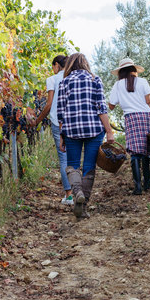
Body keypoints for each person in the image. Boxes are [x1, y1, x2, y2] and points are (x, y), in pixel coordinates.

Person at [57, 53, 114, 220]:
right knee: (89, 166)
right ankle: (83, 205)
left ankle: (78, 193)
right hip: (94, 130)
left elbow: (61, 111)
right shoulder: (94, 79)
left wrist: (62, 135)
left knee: (73, 166)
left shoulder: (64, 82)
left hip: (72, 130)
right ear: (85, 64)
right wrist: (109, 131)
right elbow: (101, 108)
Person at [108, 58, 150, 195]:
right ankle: (147, 184)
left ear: (121, 72)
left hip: (132, 118)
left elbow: (111, 105)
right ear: (134, 70)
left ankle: (138, 187)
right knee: (145, 151)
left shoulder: (118, 85)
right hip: (147, 116)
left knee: (134, 152)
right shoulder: (143, 82)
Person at [30, 55, 73, 205]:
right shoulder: (72, 77)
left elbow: (48, 105)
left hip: (57, 121)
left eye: (52, 66)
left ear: (56, 65)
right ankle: (77, 191)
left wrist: (37, 120)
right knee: (73, 157)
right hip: (73, 122)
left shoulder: (53, 79)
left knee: (63, 158)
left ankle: (69, 195)